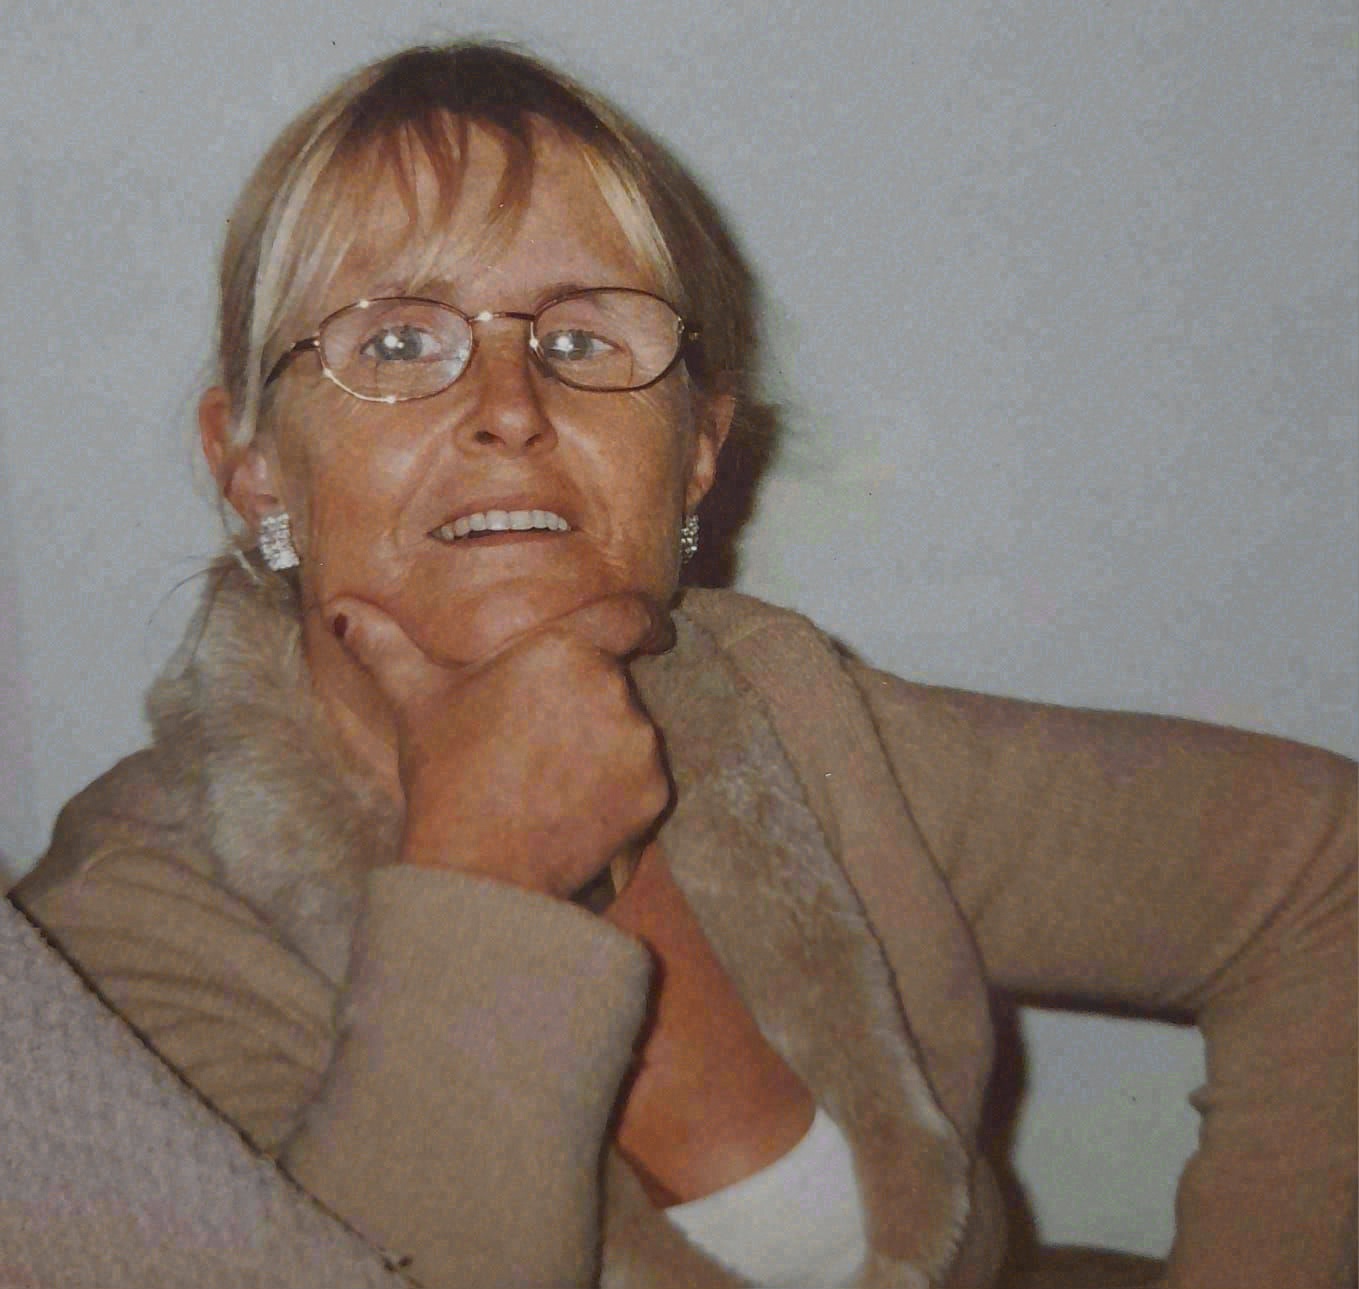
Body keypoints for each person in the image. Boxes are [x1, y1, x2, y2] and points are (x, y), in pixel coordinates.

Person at [10, 42, 1354, 1289]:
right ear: (252, 465)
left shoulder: (787, 709)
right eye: (400, 342)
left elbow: (1324, 883)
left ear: (698, 451)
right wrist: (483, 876)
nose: (509, 410)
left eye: (581, 340)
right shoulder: (104, 955)